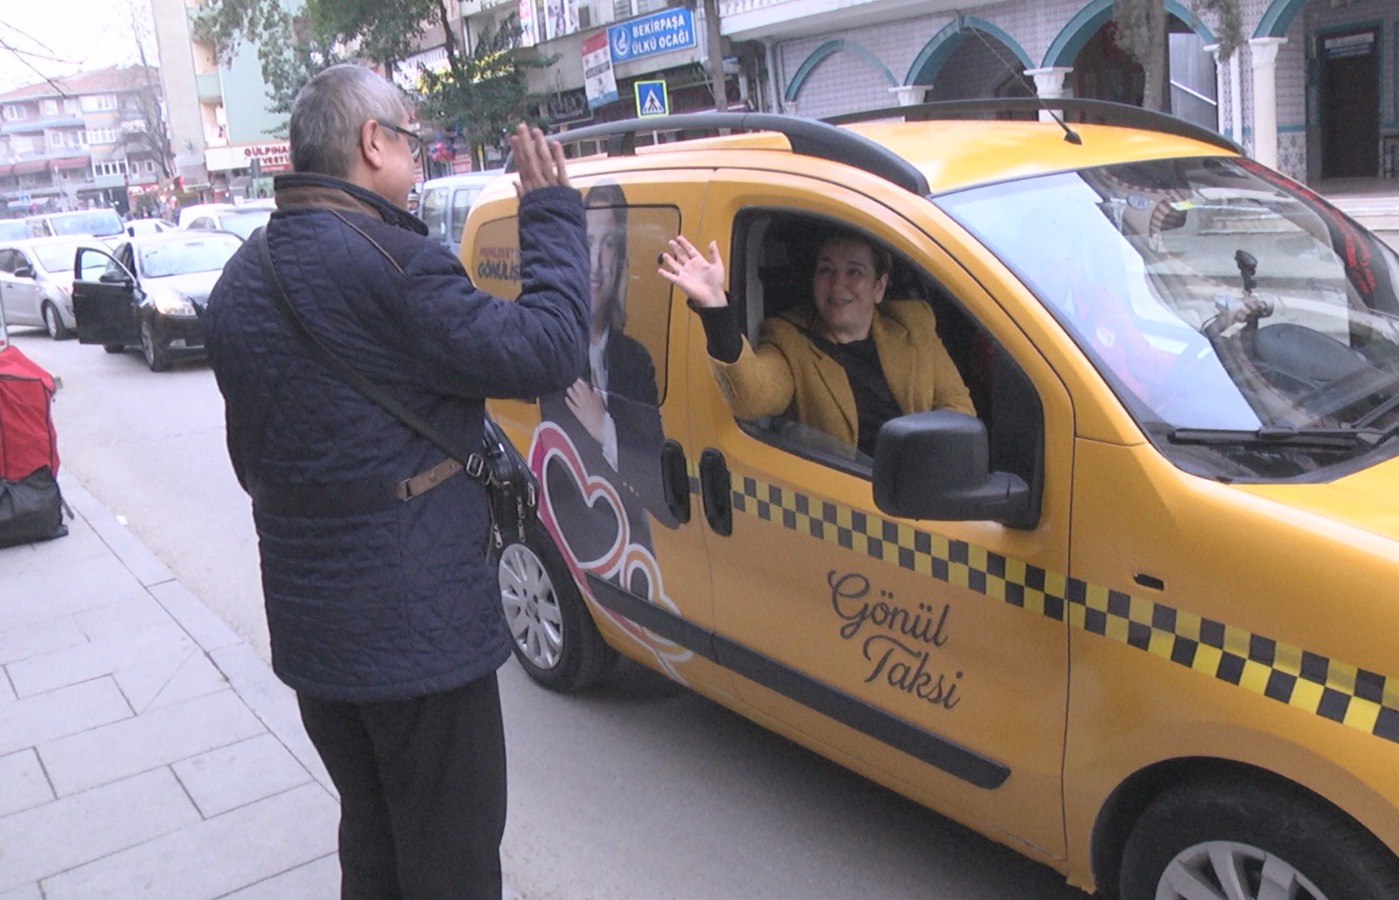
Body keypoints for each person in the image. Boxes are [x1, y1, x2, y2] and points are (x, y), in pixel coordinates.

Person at [202, 64, 589, 899]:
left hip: (314, 634)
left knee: (373, 836)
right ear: (372, 143)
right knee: (451, 852)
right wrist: (551, 213)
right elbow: (550, 349)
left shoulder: (240, 278)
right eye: (410, 142)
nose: (418, 163)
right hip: (416, 637)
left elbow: (249, 462)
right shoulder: (395, 263)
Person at [657, 229, 974, 457]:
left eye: (854, 271)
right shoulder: (789, 337)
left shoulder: (913, 322)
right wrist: (715, 308)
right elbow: (751, 398)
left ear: (880, 286)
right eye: (826, 270)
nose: (838, 284)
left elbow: (959, 410)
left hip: (921, 493)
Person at [537, 182, 669, 562]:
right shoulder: (552, 352)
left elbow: (662, 500)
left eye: (608, 243)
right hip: (576, 558)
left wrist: (605, 429)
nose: (594, 263)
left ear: (622, 257)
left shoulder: (635, 361)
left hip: (637, 566)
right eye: (585, 241)